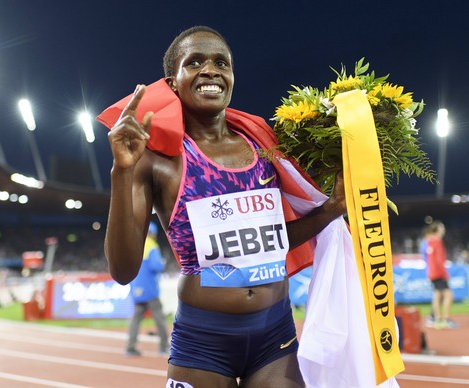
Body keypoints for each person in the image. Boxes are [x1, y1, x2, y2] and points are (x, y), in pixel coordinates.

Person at [100, 26, 346, 388]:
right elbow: (122, 270)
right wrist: (122, 172)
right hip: (203, 343)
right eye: (195, 62)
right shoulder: (158, 161)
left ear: (231, 76)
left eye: (221, 63)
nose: (211, 70)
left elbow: (270, 239)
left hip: (274, 335)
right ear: (172, 83)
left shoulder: (264, 146)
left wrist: (330, 209)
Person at [126, 221, 169, 356]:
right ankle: (163, 347)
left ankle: (130, 347)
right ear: (153, 234)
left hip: (136, 287)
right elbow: (156, 267)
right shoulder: (152, 246)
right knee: (159, 317)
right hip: (150, 289)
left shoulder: (134, 246)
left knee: (136, 318)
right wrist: (162, 263)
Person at [420, 221, 458, 329]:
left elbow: (431, 259)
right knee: (448, 295)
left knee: (437, 295)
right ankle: (445, 319)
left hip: (432, 272)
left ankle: (437, 319)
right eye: (442, 228)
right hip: (438, 273)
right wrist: (444, 273)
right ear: (437, 230)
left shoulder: (429, 242)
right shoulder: (436, 241)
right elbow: (439, 259)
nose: (444, 230)